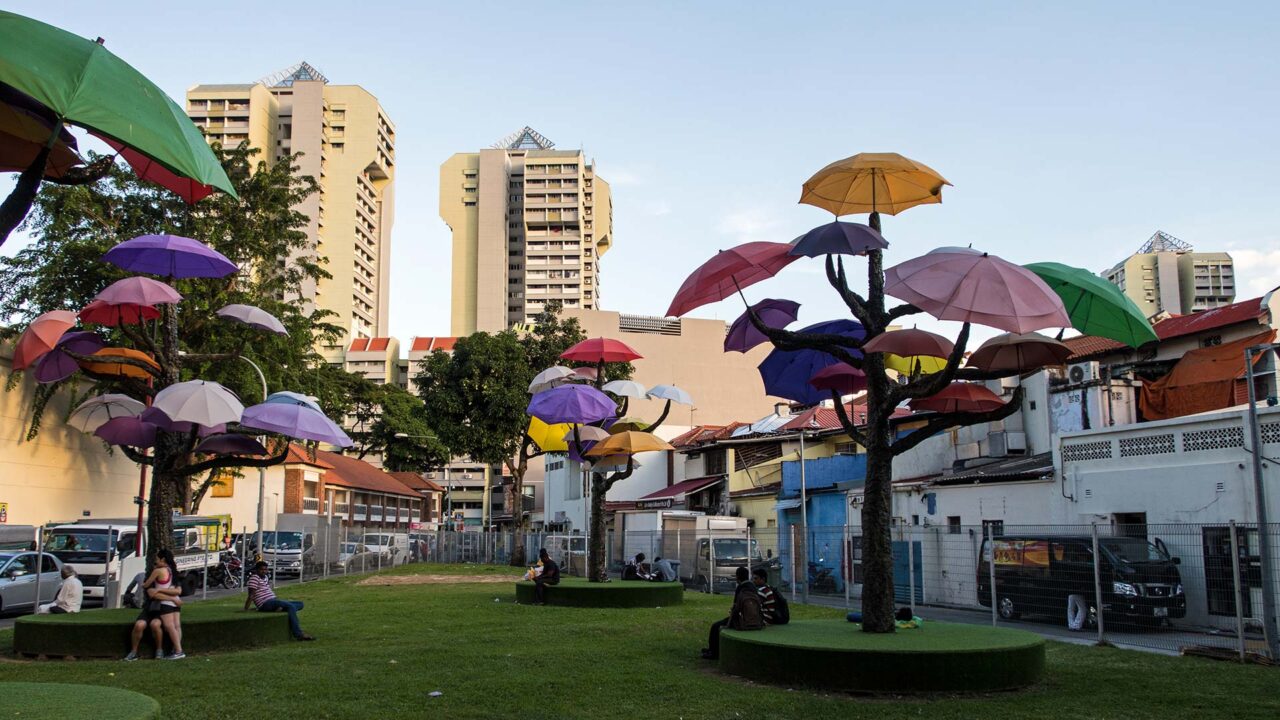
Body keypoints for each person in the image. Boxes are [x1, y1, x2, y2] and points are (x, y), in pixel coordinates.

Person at [124, 551, 184, 661]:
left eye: (157, 560)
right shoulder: (168, 573)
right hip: (157, 606)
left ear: (163, 560)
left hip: (163, 606)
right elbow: (154, 593)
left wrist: (161, 591)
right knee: (142, 625)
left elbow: (177, 590)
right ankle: (134, 652)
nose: (155, 562)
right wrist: (172, 598)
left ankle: (172, 650)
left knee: (166, 625)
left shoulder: (165, 573)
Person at [701, 566, 764, 660]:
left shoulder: (741, 588)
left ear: (737, 577)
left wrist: (730, 620)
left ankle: (714, 652)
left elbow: (736, 607)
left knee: (715, 626)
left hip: (742, 620)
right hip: (756, 619)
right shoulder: (752, 587)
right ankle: (712, 650)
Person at [245, 560, 314, 640]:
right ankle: (298, 634)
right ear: (257, 570)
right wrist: (246, 608)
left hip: (273, 601)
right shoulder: (254, 578)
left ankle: (281, 608)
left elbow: (267, 591)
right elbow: (251, 595)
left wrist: (278, 603)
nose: (264, 571)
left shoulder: (265, 578)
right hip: (265, 603)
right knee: (290, 607)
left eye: (265, 569)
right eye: (261, 569)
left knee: (300, 604)